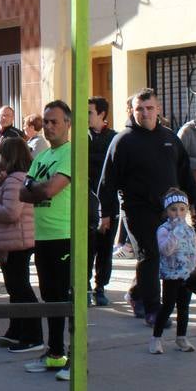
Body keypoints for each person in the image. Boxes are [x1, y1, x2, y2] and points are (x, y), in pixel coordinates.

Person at [99, 89, 196, 323]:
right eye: (139, 109)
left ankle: (136, 292)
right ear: (132, 112)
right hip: (137, 210)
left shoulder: (170, 138)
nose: (145, 113)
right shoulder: (123, 140)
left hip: (170, 210)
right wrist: (105, 213)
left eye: (149, 108)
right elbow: (108, 180)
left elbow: (185, 173)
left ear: (158, 109)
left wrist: (194, 204)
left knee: (163, 255)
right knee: (151, 253)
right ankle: (155, 309)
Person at [21, 101, 75, 379]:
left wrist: (36, 188)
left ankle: (75, 360)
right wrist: (36, 189)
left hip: (65, 236)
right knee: (50, 298)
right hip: (42, 237)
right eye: (46, 122)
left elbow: (51, 190)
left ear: (68, 124)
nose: (50, 127)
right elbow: (23, 193)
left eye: (55, 121)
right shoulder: (42, 157)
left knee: (67, 300)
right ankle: (54, 353)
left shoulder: (71, 153)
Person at [0, 136, 40, 353]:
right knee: (15, 288)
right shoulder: (14, 178)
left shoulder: (15, 180)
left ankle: (32, 335)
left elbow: (11, 212)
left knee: (21, 288)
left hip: (18, 241)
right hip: (14, 240)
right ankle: (16, 330)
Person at [150, 189, 196, 354]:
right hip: (171, 275)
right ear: (167, 211)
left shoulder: (190, 229)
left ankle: (181, 337)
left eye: (182, 209)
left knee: (184, 306)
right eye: (173, 209)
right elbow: (166, 250)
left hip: (186, 274)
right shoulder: (164, 230)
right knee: (168, 306)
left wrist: (195, 268)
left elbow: (195, 250)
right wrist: (176, 232)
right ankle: (156, 338)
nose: (178, 213)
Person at [86, 97, 117, 306]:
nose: (86, 116)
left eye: (89, 112)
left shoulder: (114, 139)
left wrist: (107, 209)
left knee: (105, 248)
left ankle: (100, 287)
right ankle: (85, 286)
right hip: (86, 203)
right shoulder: (81, 137)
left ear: (102, 114)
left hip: (108, 202)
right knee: (87, 247)